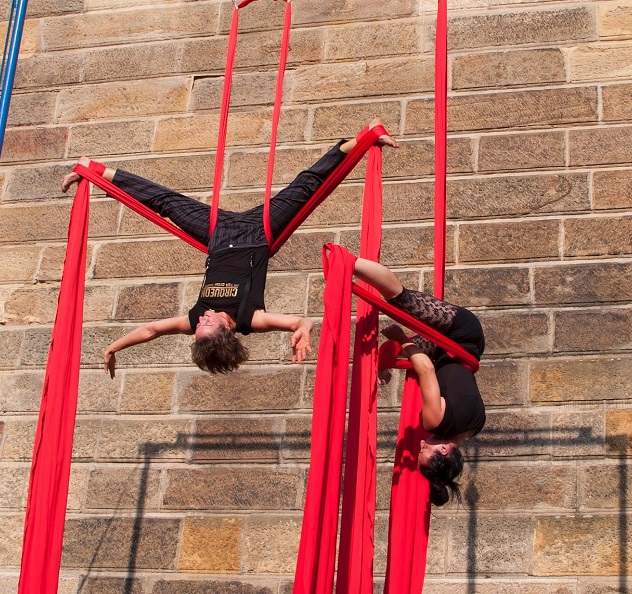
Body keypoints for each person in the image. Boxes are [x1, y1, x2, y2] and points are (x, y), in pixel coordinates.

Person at [62, 120, 399, 378]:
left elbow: (151, 330)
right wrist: (302, 330)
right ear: (227, 331)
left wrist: (113, 347)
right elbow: (301, 320)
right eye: (206, 325)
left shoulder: (196, 319)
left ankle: (94, 170)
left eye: (198, 328)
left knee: (164, 201)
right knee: (307, 185)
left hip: (218, 236)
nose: (201, 319)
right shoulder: (251, 318)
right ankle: (366, 135)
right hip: (258, 233)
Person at [352, 257, 485, 507]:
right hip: (457, 336)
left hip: (464, 346)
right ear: (444, 451)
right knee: (400, 301)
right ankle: (350, 263)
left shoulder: (474, 428)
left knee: (392, 355)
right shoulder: (435, 421)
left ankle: (383, 365)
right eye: (424, 450)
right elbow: (425, 369)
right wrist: (400, 335)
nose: (421, 443)